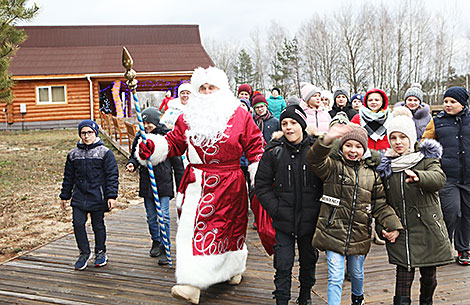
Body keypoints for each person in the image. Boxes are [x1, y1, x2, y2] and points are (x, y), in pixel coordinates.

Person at [136, 66, 265, 304]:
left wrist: (259, 175)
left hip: (231, 182)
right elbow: (173, 143)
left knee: (230, 229)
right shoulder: (188, 117)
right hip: (198, 181)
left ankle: (233, 268)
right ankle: (191, 283)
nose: (206, 92)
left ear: (221, 89)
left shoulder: (240, 115)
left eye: (211, 87)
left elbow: (256, 145)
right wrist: (153, 148)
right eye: (202, 88)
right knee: (192, 230)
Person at [306, 124, 403, 305]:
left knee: (356, 273)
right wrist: (327, 140)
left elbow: (379, 203)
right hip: (332, 231)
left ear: (364, 150)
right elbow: (314, 159)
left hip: (359, 233)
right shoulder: (332, 167)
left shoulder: (372, 174)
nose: (353, 150)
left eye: (358, 146)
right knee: (335, 276)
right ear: (341, 146)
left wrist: (393, 225)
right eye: (348, 145)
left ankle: (357, 298)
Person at [376, 107, 454, 305]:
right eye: (393, 138)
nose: (398, 142)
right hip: (401, 229)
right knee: (403, 277)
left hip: (427, 226)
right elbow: (380, 201)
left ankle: (426, 301)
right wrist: (386, 227)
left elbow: (439, 178)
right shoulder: (387, 167)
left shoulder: (426, 159)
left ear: (411, 137)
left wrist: (419, 176)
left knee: (429, 276)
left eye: (402, 137)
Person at [255, 105, 322, 305]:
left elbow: (328, 181)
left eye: (293, 123)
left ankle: (305, 296)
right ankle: (282, 299)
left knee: (308, 261)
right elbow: (261, 185)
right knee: (283, 264)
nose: (288, 128)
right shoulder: (274, 151)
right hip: (283, 219)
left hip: (310, 220)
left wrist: (320, 210)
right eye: (284, 123)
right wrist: (275, 209)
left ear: (302, 124)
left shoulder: (316, 150)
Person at [126, 107, 184, 265]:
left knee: (163, 216)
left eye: (149, 122)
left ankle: (166, 247)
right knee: (151, 217)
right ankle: (156, 241)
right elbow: (135, 156)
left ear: (156, 121)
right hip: (147, 183)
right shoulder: (140, 136)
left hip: (163, 182)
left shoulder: (167, 137)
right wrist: (132, 164)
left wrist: (181, 187)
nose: (147, 125)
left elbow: (177, 164)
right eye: (144, 122)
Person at [59, 119, 119, 270]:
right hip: (79, 196)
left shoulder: (105, 153)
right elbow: (68, 176)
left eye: (89, 132)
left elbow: (112, 175)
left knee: (97, 225)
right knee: (78, 224)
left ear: (95, 133)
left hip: (97, 195)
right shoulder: (73, 154)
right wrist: (65, 196)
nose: (86, 136)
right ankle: (84, 252)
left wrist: (111, 196)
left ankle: (101, 251)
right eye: (83, 133)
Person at [422, 86, 470, 266]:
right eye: (446, 101)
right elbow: (425, 145)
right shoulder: (437, 121)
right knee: (450, 212)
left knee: (467, 214)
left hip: (469, 177)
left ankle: (464, 249)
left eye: (452, 102)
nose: (447, 105)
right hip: (447, 177)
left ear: (463, 103)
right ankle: (443, 246)